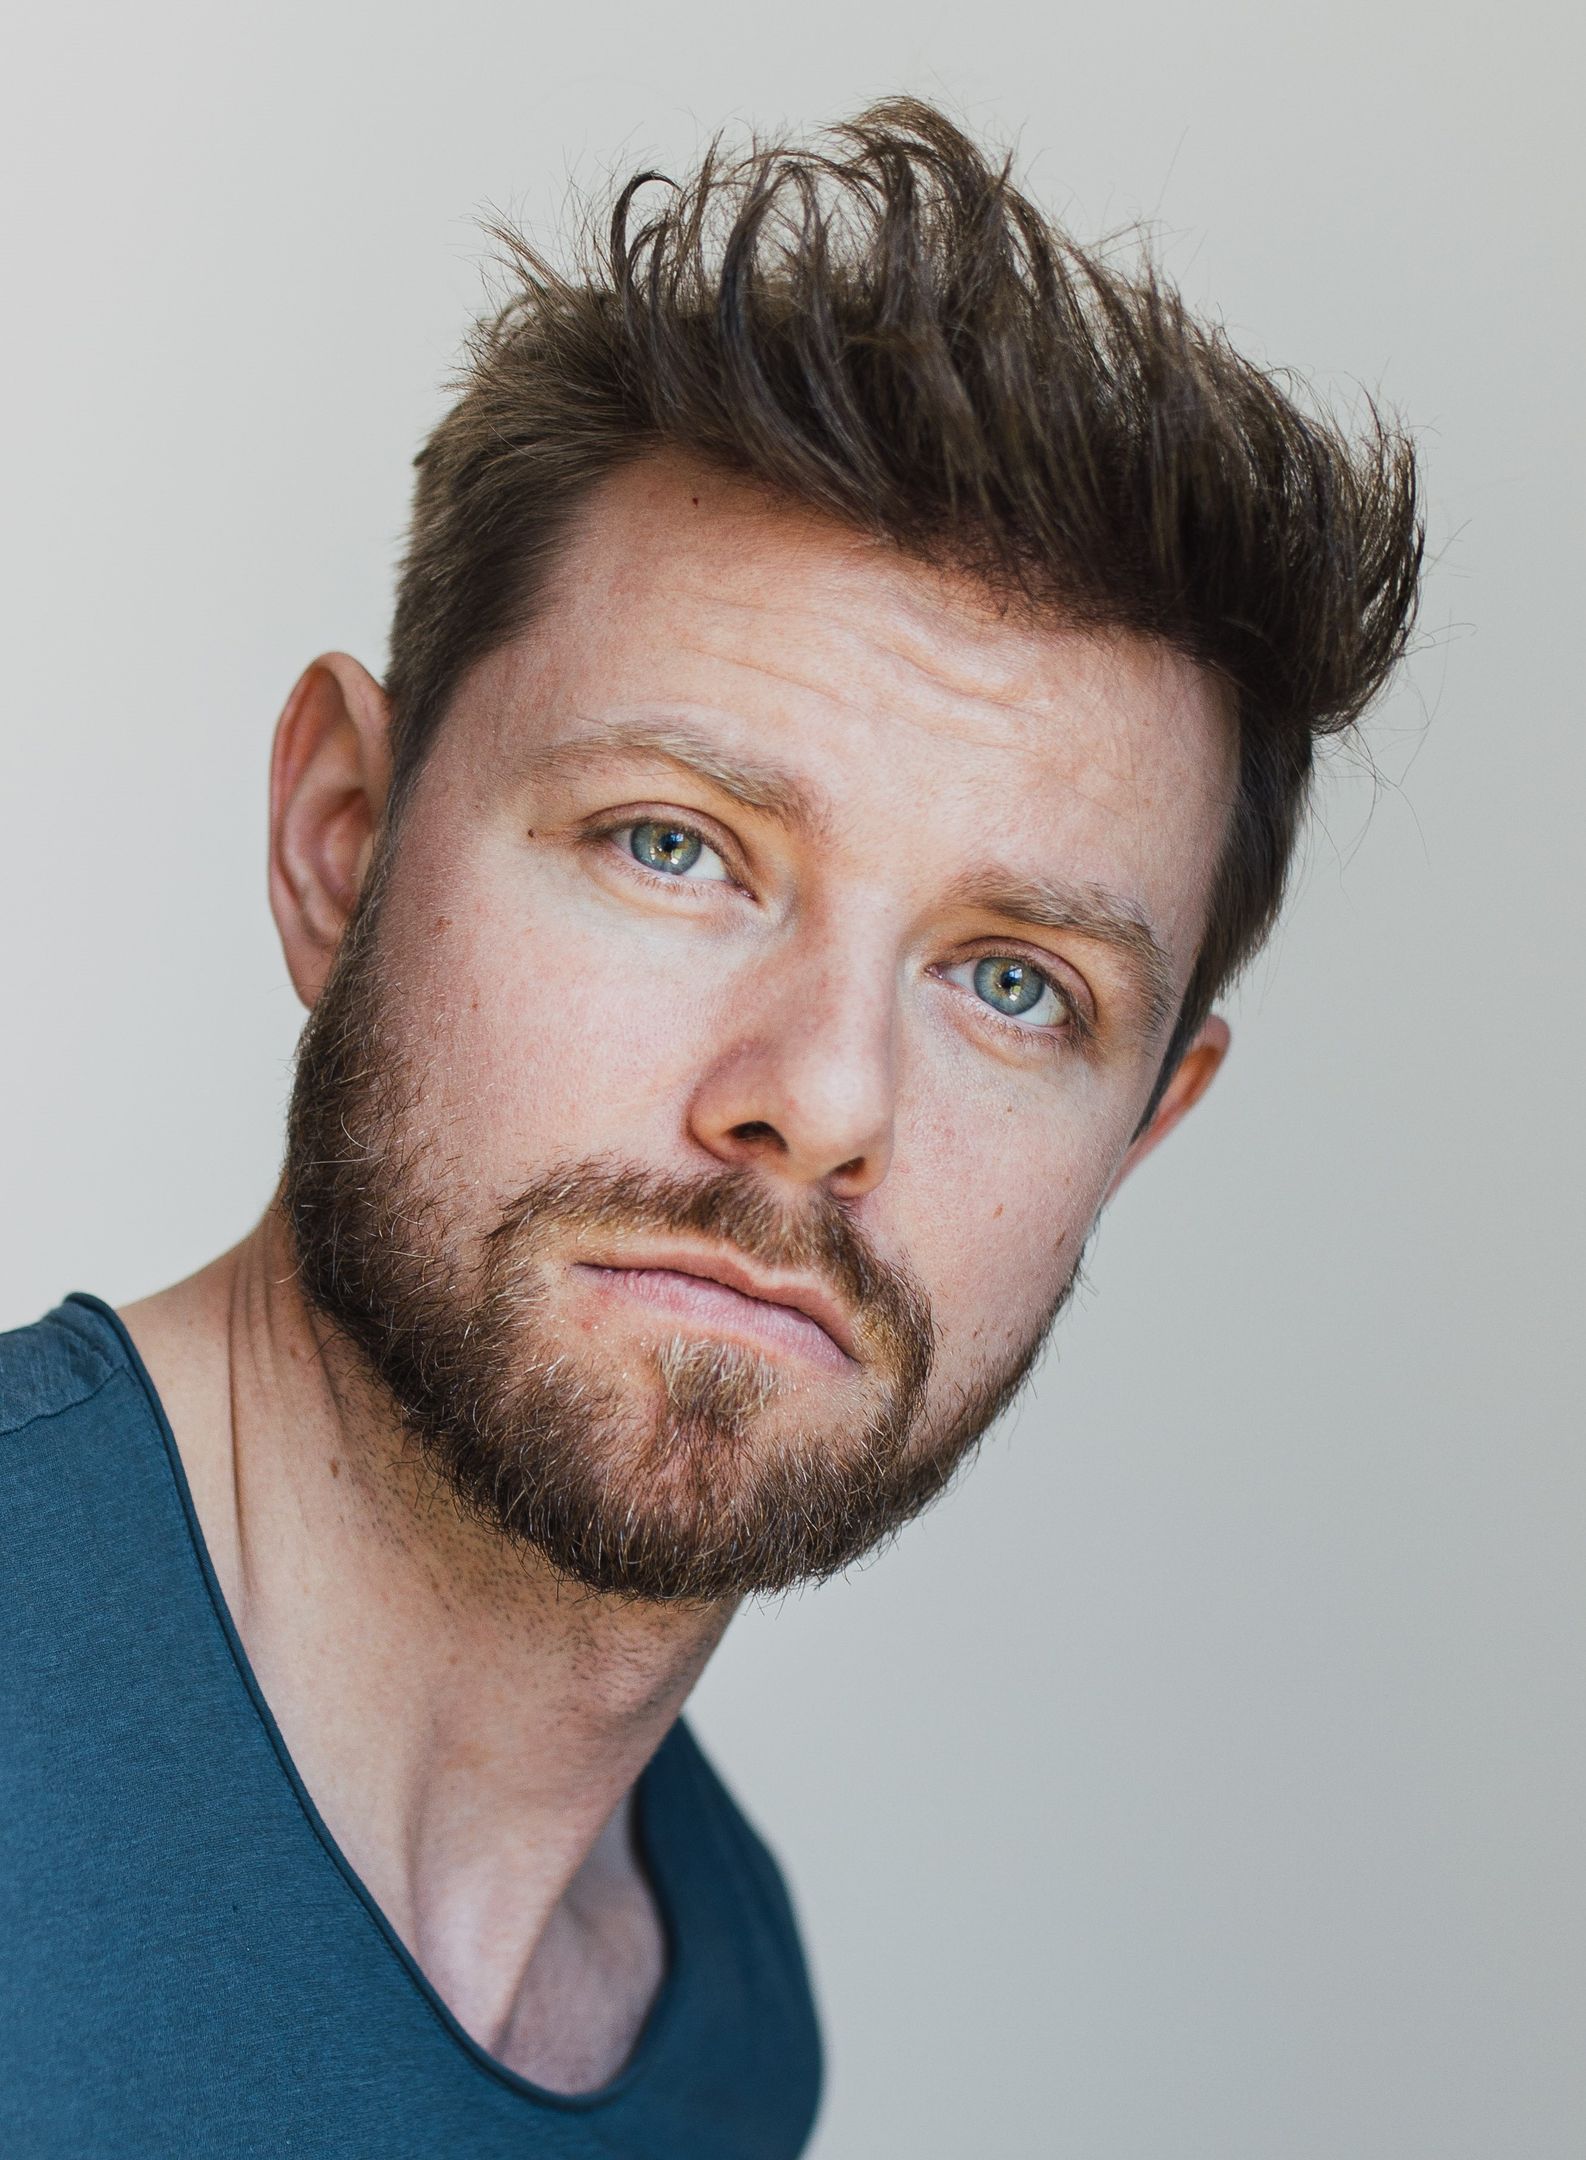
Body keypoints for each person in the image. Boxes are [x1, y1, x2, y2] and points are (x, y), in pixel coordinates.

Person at [0, 98, 1421, 2159]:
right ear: (341, 842)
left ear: (1136, 1134)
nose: (825, 1099)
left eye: (1015, 983)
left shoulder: (729, 2022)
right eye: (673, 846)